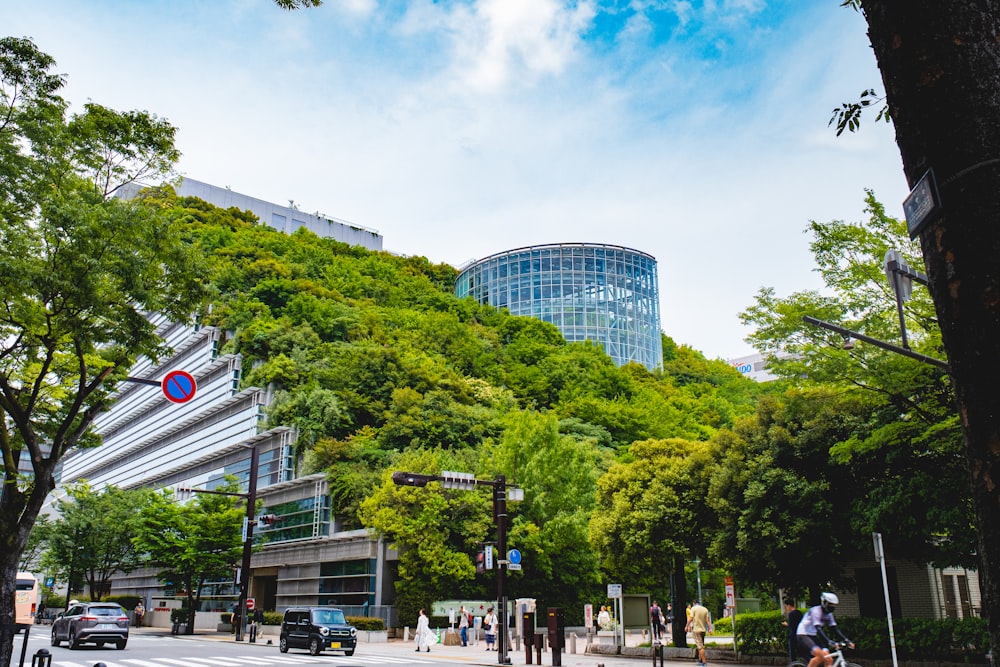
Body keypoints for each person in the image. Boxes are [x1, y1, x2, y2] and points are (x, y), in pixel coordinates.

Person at [796, 593, 854, 667]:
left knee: (829, 659)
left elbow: (834, 628)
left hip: (813, 635)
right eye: (830, 605)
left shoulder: (829, 614)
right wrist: (829, 641)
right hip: (803, 635)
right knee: (820, 655)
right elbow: (818, 628)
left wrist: (847, 640)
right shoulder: (816, 611)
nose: (832, 607)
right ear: (824, 603)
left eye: (834, 605)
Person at [685, 599, 713, 667]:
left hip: (696, 630)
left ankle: (704, 662)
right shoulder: (705, 609)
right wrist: (710, 628)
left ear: (693, 603)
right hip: (703, 630)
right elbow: (707, 620)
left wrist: (686, 626)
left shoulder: (693, 609)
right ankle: (700, 660)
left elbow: (691, 618)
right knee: (701, 645)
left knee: (700, 647)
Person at [783, 599, 804, 663]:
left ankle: (793, 663)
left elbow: (791, 625)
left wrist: (786, 624)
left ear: (789, 605)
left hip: (793, 635)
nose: (786, 608)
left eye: (786, 606)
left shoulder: (791, 614)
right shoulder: (799, 613)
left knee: (792, 652)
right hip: (800, 634)